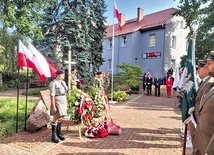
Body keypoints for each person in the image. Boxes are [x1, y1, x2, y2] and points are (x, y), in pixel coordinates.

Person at [188, 60, 214, 154]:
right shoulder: (211, 86)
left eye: (210, 63)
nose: (206, 66)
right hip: (201, 140)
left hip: (209, 146)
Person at [49, 69, 68, 143]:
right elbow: (52, 95)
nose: (63, 75)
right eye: (62, 74)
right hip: (57, 100)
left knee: (61, 116)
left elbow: (65, 92)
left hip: (63, 100)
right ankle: (54, 136)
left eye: (63, 74)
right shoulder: (54, 83)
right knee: (57, 116)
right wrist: (53, 106)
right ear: (57, 75)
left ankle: (58, 133)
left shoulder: (63, 82)